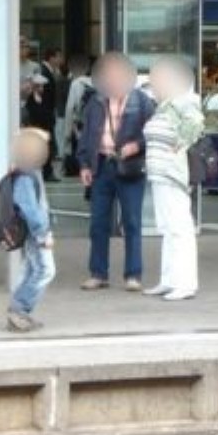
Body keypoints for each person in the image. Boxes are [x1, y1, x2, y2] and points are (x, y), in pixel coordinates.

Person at [78, 52, 156, 291]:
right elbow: (86, 135)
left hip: (129, 167)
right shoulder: (95, 101)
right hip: (102, 165)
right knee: (98, 222)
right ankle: (98, 273)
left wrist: (137, 146)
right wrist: (84, 164)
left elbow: (154, 133)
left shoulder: (142, 101)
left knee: (131, 221)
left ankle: (133, 275)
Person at [143, 58, 204, 302]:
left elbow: (196, 124)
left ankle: (185, 283)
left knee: (179, 229)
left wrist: (180, 144)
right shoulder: (166, 105)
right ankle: (169, 280)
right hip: (162, 174)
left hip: (173, 174)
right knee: (169, 229)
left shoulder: (183, 102)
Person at [6, 128, 56, 333]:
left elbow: (44, 135)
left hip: (35, 232)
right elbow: (31, 210)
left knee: (30, 270)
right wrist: (43, 235)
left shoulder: (28, 172)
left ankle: (19, 311)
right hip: (36, 234)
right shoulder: (26, 177)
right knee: (45, 271)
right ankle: (19, 309)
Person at [25, 49, 59, 181]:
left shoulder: (44, 100)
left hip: (46, 127)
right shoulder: (31, 100)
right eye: (38, 86)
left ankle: (47, 172)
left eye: (42, 87)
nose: (41, 89)